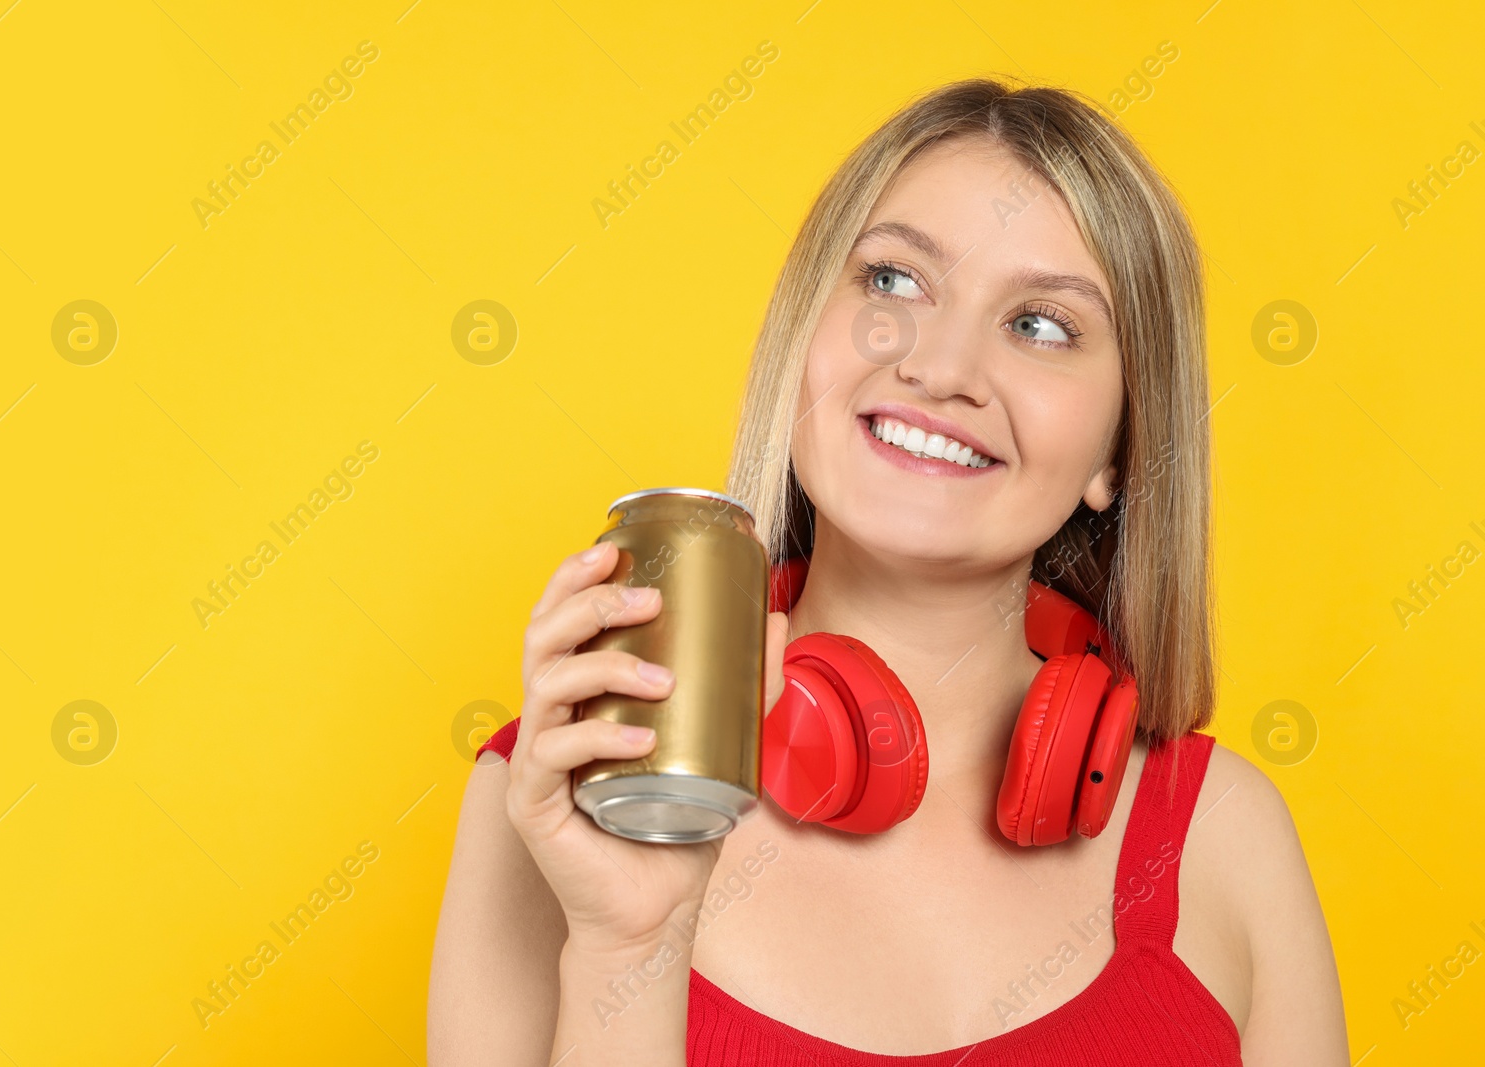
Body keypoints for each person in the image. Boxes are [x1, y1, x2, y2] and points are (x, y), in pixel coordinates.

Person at [428, 77, 1349, 1066]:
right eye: (894, 280)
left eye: (1041, 323)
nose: (942, 365)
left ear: (1116, 452)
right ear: (805, 338)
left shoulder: (1223, 834)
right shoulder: (564, 784)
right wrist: (630, 949)